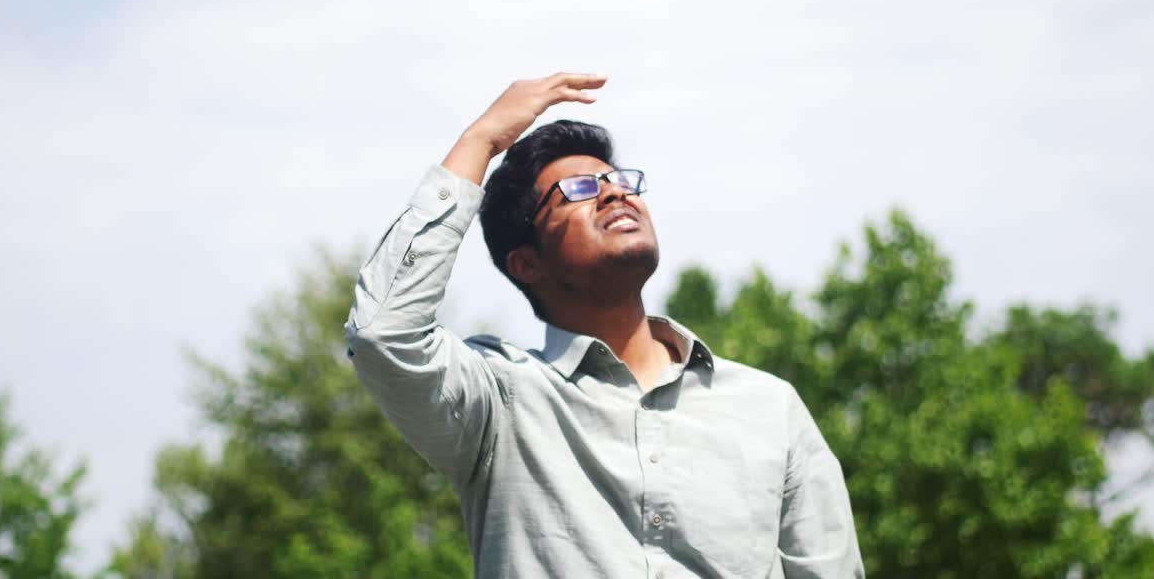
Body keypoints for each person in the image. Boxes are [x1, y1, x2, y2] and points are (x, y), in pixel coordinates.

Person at [346, 73, 864, 578]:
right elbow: (383, 332)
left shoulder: (769, 407)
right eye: (578, 189)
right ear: (527, 263)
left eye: (620, 180)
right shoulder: (500, 403)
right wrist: (480, 139)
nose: (615, 194)